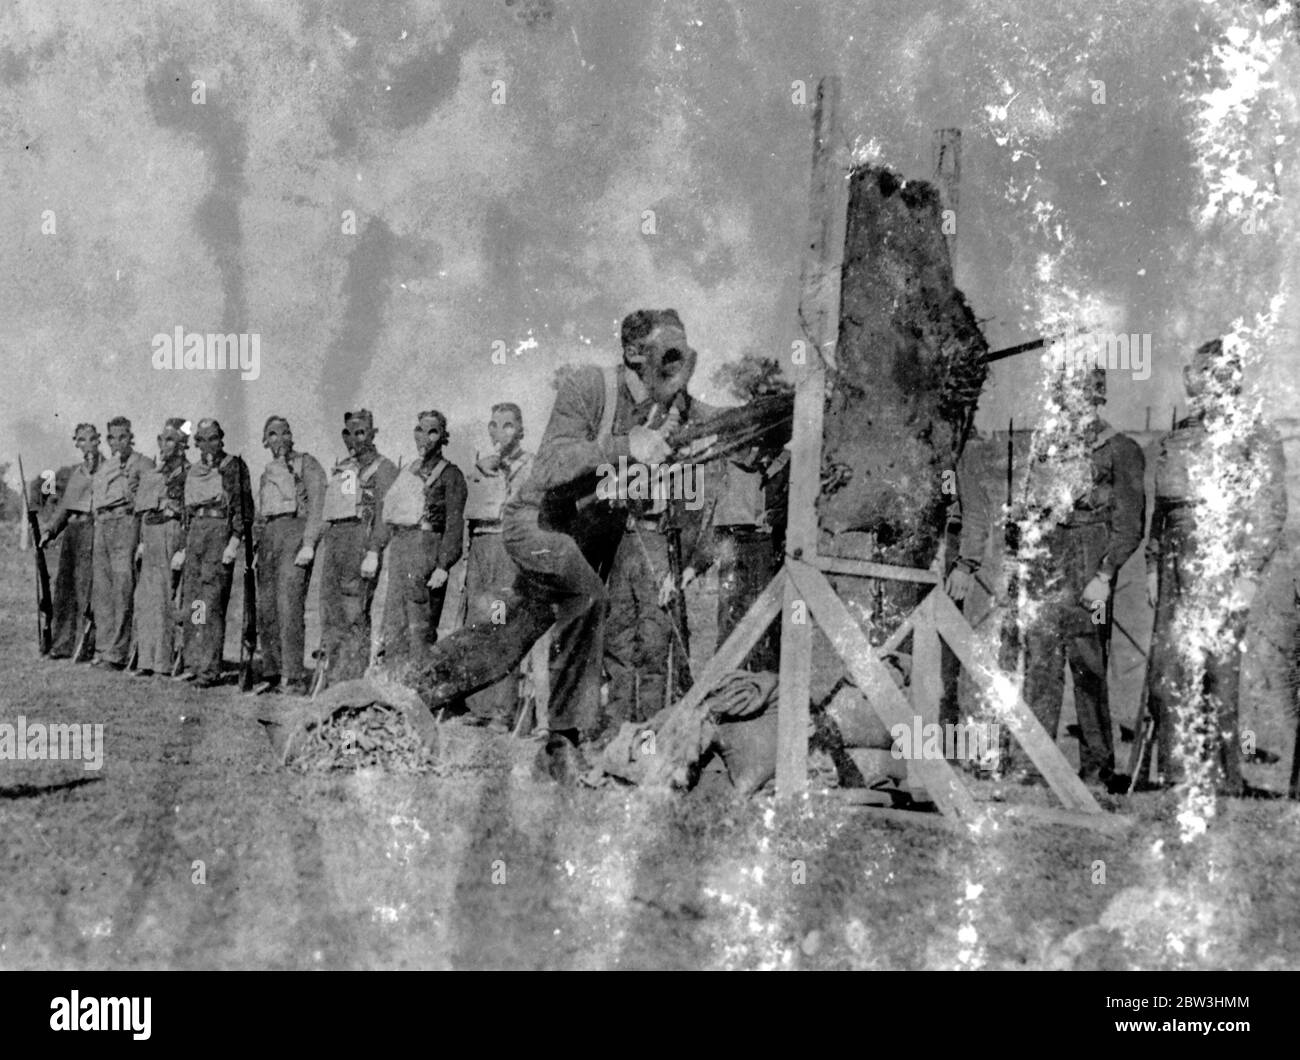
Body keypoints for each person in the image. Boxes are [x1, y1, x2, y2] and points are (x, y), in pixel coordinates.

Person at [502, 308, 698, 780]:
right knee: (588, 598)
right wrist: (626, 445)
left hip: (581, 536)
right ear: (633, 353)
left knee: (508, 639)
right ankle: (562, 741)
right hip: (537, 524)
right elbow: (549, 467)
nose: (678, 368)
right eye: (667, 355)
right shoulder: (591, 386)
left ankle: (409, 692)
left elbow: (721, 423)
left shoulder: (670, 406)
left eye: (684, 357)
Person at [1145, 338, 1287, 794]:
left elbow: (1268, 508)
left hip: (1223, 560)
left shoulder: (1255, 434)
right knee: (1170, 670)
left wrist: (1248, 573)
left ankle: (1224, 779)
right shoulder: (1181, 434)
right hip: (1173, 563)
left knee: (1218, 675)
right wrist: (1152, 565)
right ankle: (1176, 773)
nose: (1205, 385)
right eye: (1200, 375)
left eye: (1214, 375)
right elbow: (1161, 511)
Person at [1006, 368, 1145, 785]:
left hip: (1090, 560)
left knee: (1089, 668)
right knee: (1040, 664)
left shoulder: (1121, 449)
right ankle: (1031, 766)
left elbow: (1130, 523)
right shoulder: (1044, 446)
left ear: (1097, 397)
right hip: (1047, 561)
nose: (1072, 404)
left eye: (1082, 396)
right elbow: (1027, 507)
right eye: (1065, 396)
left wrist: (1105, 575)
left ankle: (1097, 769)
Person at [373, 410, 467, 667]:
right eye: (420, 430)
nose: (424, 437)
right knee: (394, 615)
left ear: (443, 436)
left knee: (421, 620)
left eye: (433, 431)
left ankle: (419, 685)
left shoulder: (451, 475)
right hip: (402, 546)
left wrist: (443, 565)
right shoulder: (408, 470)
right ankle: (392, 678)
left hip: (428, 548)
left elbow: (454, 523)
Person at [461, 402, 534, 729]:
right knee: (478, 623)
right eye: (494, 425)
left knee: (501, 622)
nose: (500, 432)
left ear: (520, 430)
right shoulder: (479, 467)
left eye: (507, 425)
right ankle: (479, 705)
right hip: (481, 546)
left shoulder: (529, 465)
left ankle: (503, 710)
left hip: (508, 548)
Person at [317, 409, 398, 686]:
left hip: (360, 543)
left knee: (354, 612)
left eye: (361, 432)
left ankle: (351, 678)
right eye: (349, 433)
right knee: (332, 611)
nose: (355, 438)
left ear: (373, 434)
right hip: (336, 541)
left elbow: (384, 514)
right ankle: (333, 675)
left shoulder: (384, 468)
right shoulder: (342, 468)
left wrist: (374, 551)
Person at [174, 418, 252, 688]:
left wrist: (234, 541)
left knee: (211, 602)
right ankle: (193, 662)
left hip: (219, 530)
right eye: (202, 440)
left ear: (221, 439)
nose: (208, 444)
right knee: (194, 600)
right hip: (197, 531)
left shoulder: (233, 467)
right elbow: (186, 511)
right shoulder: (194, 471)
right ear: (196, 444)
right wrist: (184, 546)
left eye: (213, 438)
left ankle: (209, 668)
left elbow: (243, 508)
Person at [255, 416, 326, 695]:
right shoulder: (266, 472)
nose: (279, 440)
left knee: (289, 606)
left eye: (284, 433)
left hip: (295, 532)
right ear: (265, 441)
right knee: (267, 608)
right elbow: (261, 513)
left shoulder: (306, 464)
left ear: (291, 436)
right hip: (270, 537)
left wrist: (309, 542)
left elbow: (318, 503)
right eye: (272, 435)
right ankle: (272, 672)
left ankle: (293, 676)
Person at [89, 416, 154, 670]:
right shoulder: (105, 467)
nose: (118, 442)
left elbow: (147, 502)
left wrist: (142, 538)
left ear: (131, 437)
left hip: (125, 523)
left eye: (123, 436)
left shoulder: (143, 463)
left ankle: (118, 652)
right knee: (103, 590)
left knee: (122, 587)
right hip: (103, 525)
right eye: (113, 437)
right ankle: (103, 648)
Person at [131, 418, 190, 677]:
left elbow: (191, 515)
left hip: (171, 533)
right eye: (161, 439)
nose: (164, 445)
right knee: (146, 600)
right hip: (152, 533)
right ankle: (145, 659)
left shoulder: (189, 474)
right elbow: (144, 511)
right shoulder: (153, 474)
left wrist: (183, 549)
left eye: (170, 441)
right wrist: (142, 542)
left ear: (181, 445)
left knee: (166, 600)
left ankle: (163, 663)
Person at [40, 423, 102, 660]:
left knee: (86, 589)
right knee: (64, 588)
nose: (86, 445)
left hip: (92, 529)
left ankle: (85, 644)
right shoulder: (75, 473)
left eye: (90, 439)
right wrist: (50, 531)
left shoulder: (106, 469)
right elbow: (65, 508)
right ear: (76, 443)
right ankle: (62, 643)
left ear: (97, 441)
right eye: (81, 441)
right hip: (72, 532)